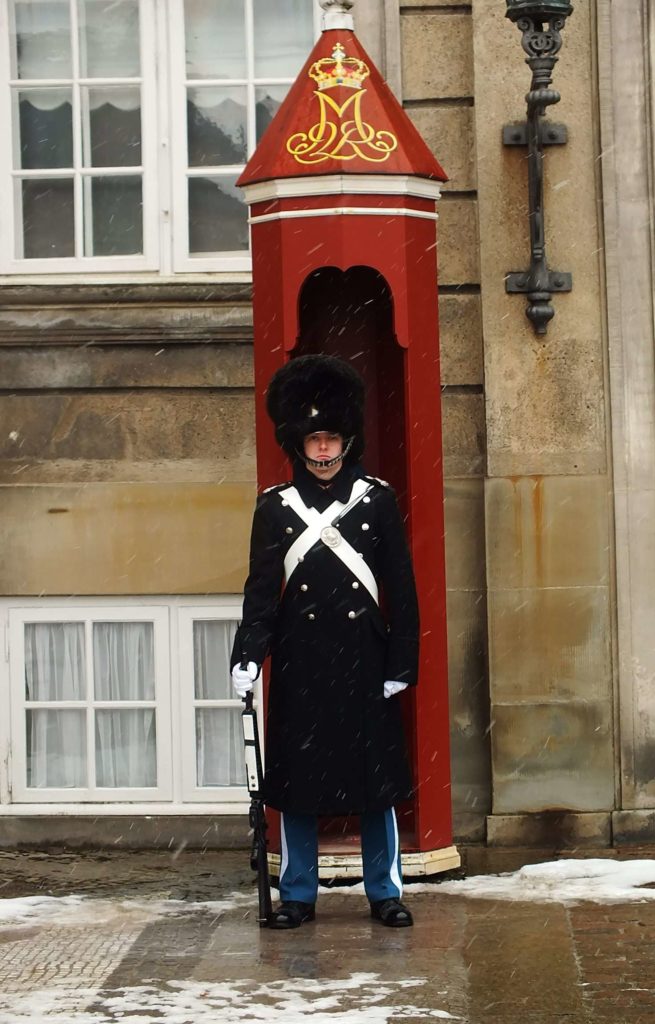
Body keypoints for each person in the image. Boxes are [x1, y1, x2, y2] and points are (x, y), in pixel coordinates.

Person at [230, 354, 419, 930]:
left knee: (376, 785)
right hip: (302, 662)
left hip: (363, 659)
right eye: (312, 439)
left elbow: (402, 587)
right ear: (298, 441)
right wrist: (248, 653)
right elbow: (261, 589)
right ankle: (298, 893)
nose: (321, 450)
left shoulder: (376, 499)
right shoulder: (275, 507)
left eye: (330, 437)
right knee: (299, 787)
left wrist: (401, 660)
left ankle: (384, 890)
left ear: (346, 438)